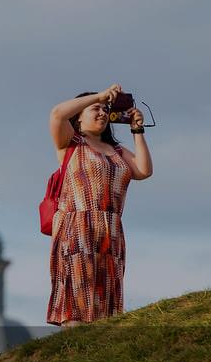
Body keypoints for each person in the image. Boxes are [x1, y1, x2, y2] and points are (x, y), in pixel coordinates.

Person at [46, 84, 152, 327]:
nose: (103, 113)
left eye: (106, 109)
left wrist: (137, 129)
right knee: (78, 288)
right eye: (95, 109)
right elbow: (57, 114)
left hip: (110, 228)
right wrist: (100, 96)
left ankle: (99, 340)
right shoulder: (71, 143)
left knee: (106, 288)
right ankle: (74, 339)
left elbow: (143, 170)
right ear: (79, 117)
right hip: (78, 225)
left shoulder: (116, 150)